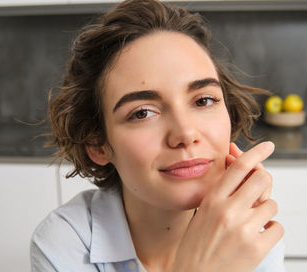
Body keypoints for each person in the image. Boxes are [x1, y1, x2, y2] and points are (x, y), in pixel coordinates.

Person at [32, 0, 285, 271]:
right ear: (98, 143)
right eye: (142, 113)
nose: (186, 134)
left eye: (203, 101)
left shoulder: (249, 234)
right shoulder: (64, 243)